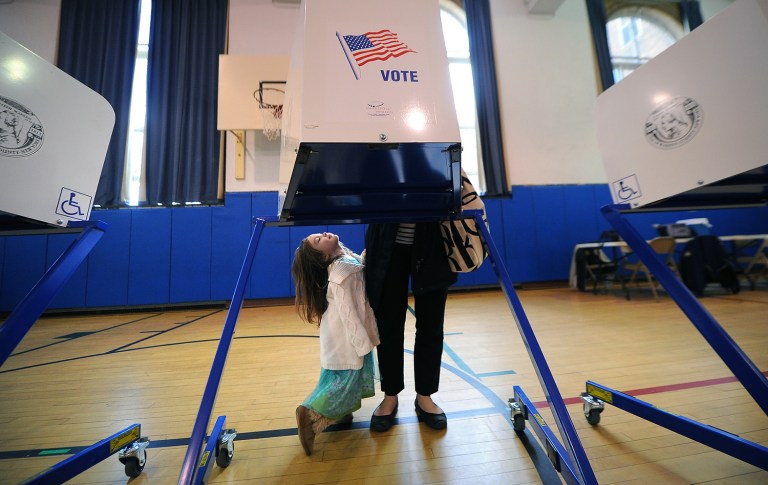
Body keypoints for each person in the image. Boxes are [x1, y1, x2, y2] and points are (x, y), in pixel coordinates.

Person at [291, 232, 380, 455]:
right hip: (348, 340)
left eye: (319, 234)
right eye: (319, 240)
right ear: (324, 257)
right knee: (345, 383)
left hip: (339, 340)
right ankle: (311, 416)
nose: (324, 234)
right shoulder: (342, 273)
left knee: (337, 380)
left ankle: (341, 413)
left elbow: (358, 266)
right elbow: (349, 312)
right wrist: (363, 343)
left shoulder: (344, 262)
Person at [364, 222, 457, 431]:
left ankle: (425, 396)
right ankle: (390, 396)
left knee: (431, 327)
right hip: (387, 246)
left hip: (434, 244)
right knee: (388, 327)